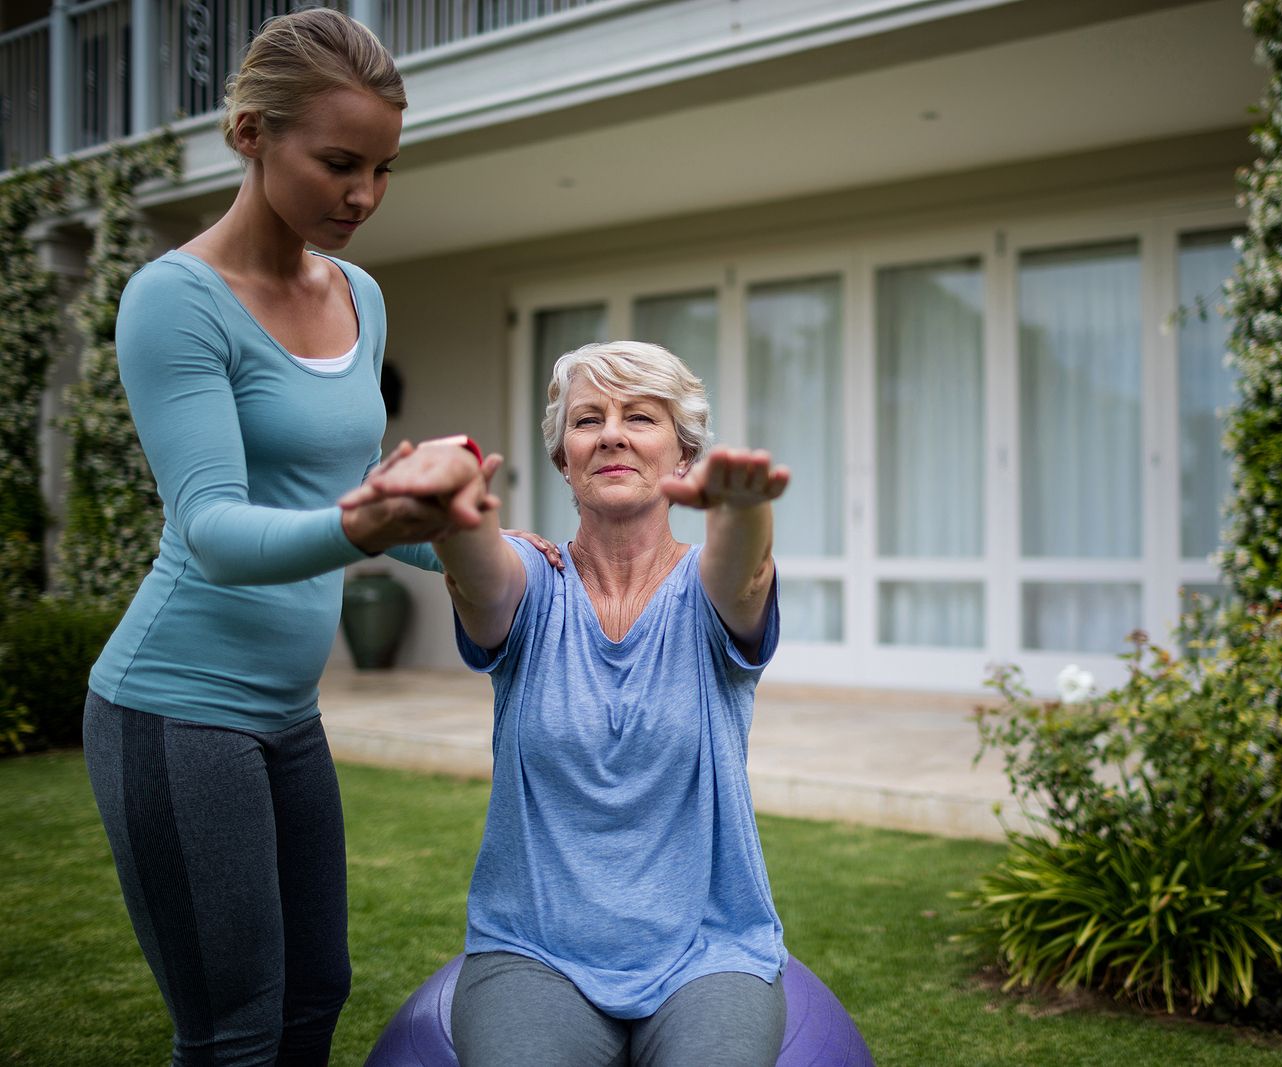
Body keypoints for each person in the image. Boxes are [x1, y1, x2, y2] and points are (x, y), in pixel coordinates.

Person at [81, 11, 557, 1065]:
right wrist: (369, 519)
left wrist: (484, 536)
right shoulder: (175, 301)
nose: (365, 195)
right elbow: (214, 530)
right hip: (175, 706)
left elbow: (361, 493)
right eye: (339, 162)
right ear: (250, 132)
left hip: (288, 714)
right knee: (236, 1029)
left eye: (385, 167)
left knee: (315, 994)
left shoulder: (361, 296)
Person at [347, 340, 793, 1066]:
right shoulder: (533, 579)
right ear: (563, 459)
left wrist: (743, 512)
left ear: (682, 455)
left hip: (711, 950)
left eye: (640, 417)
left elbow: (743, 579)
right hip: (532, 951)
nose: (612, 432)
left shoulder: (705, 587)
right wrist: (453, 517)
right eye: (589, 419)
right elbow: (481, 578)